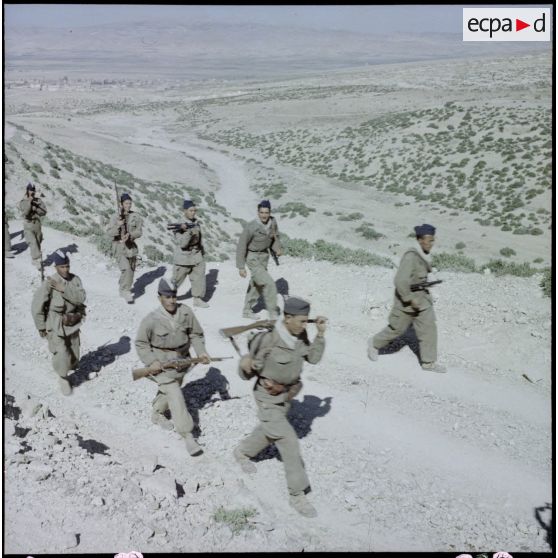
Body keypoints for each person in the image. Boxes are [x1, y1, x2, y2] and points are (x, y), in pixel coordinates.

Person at [233, 296, 327, 518]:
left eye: (307, 322)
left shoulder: (300, 335)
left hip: (286, 396)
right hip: (266, 396)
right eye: (302, 321)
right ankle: (297, 494)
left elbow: (313, 358)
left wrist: (320, 335)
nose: (305, 325)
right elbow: (246, 371)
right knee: (288, 440)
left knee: (270, 432)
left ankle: (242, 452)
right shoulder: (268, 339)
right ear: (288, 318)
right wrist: (244, 365)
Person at [135, 276, 211, 457]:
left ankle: (157, 413)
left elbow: (196, 334)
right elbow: (141, 344)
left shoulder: (186, 313)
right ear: (159, 297)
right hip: (161, 365)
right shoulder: (151, 319)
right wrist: (151, 362)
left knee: (171, 390)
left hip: (182, 363)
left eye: (174, 296)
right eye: (167, 297)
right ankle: (187, 435)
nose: (171, 300)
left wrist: (201, 352)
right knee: (175, 395)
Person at [367, 223, 446, 373]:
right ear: (420, 240)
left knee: (429, 328)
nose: (431, 243)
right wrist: (410, 298)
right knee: (396, 329)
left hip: (422, 299)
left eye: (432, 240)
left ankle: (428, 362)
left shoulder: (423, 255)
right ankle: (374, 343)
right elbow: (400, 281)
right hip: (406, 300)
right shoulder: (411, 256)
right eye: (428, 240)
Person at [31, 250, 87, 395]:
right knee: (62, 353)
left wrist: (64, 289)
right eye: (62, 266)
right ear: (56, 267)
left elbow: (81, 298)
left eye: (67, 266)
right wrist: (41, 327)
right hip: (55, 323)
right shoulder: (50, 283)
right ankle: (63, 377)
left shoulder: (75, 280)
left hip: (72, 322)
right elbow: (36, 306)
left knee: (74, 352)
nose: (66, 269)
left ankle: (71, 366)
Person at [236, 200, 282, 320]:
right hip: (252, 257)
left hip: (264, 257)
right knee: (269, 283)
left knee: (257, 284)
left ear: (270, 212)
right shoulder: (251, 227)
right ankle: (272, 313)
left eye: (266, 212)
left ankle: (246, 311)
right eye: (261, 212)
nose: (264, 215)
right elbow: (241, 246)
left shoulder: (273, 222)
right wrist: (241, 267)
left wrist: (277, 249)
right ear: (258, 212)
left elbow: (275, 237)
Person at [106, 192, 143, 303]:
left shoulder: (135, 216)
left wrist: (131, 236)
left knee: (130, 271)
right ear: (121, 204)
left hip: (131, 247)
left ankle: (123, 287)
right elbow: (110, 233)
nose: (128, 205)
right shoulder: (114, 217)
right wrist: (118, 224)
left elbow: (139, 231)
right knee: (125, 268)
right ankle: (125, 291)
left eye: (130, 203)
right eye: (126, 203)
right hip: (119, 246)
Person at [171, 199, 208, 308]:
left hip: (196, 255)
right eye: (191, 210)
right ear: (185, 211)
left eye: (194, 210)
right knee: (176, 280)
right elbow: (182, 244)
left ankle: (197, 299)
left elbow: (200, 238)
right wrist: (187, 232)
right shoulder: (179, 225)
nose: (193, 212)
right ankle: (166, 296)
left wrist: (202, 252)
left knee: (199, 278)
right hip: (183, 257)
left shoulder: (196, 223)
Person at [18, 183, 47, 269]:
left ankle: (35, 259)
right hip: (28, 224)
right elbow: (25, 213)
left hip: (37, 224)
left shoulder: (39, 200)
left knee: (38, 241)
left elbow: (44, 212)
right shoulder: (23, 201)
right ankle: (36, 259)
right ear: (27, 190)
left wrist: (37, 208)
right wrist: (30, 203)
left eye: (33, 190)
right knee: (33, 242)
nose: (32, 192)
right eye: (30, 190)